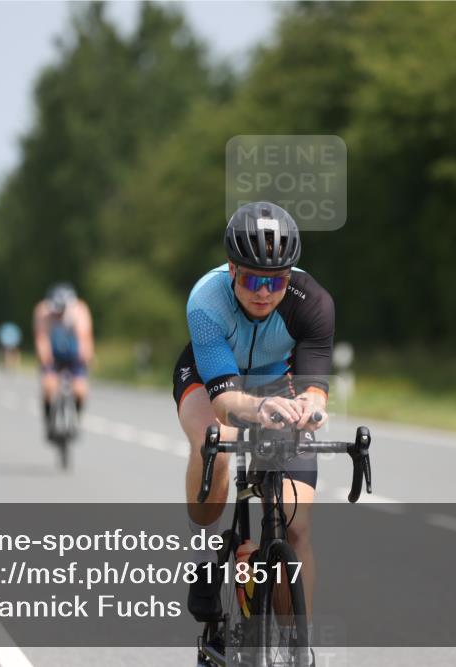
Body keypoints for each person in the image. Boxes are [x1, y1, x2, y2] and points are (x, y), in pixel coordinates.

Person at [173, 201, 334, 628]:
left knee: (296, 525)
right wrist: (260, 408)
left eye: (276, 280)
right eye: (252, 279)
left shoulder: (313, 302)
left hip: (277, 383)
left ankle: (298, 643)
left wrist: (311, 410)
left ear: (290, 276)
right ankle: (204, 556)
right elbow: (225, 402)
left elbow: (315, 388)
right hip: (212, 377)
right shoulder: (206, 301)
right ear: (232, 270)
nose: (264, 291)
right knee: (214, 443)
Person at [33, 283, 94, 440]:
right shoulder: (43, 311)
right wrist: (45, 359)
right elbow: (41, 338)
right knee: (49, 386)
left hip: (73, 353)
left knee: (80, 390)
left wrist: (85, 356)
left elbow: (84, 337)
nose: (58, 314)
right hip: (53, 353)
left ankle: (77, 418)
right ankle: (48, 421)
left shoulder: (79, 310)